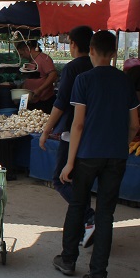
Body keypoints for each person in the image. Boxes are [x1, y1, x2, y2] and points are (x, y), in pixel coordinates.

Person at [55, 31, 140, 278]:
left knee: (78, 205)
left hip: (87, 155)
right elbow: (135, 124)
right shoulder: (125, 82)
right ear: (114, 52)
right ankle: (98, 275)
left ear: (91, 50)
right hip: (116, 156)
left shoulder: (84, 80)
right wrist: (121, 142)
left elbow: (78, 124)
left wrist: (69, 163)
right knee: (106, 214)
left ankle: (68, 260)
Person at [39, 25, 96, 246]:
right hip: (93, 134)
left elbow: (61, 103)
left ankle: (89, 218)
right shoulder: (97, 66)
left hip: (73, 131)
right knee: (80, 181)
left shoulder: (73, 68)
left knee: (60, 179)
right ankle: (87, 225)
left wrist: (46, 131)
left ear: (73, 44)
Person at [16, 40, 58, 113]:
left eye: (22, 54)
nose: (22, 57)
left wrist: (40, 89)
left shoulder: (43, 58)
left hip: (43, 101)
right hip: (32, 100)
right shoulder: (31, 61)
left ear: (27, 49)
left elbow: (53, 75)